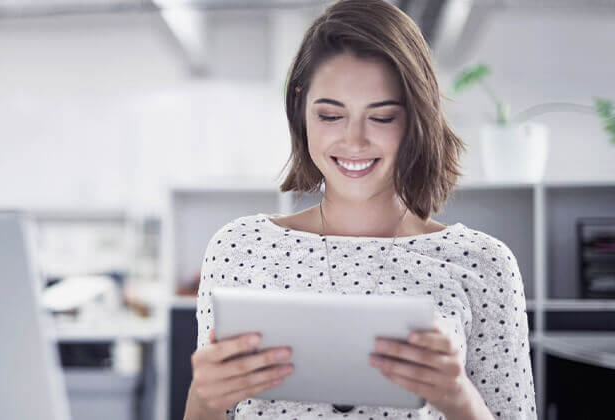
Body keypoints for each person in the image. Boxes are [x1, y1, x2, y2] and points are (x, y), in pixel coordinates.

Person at [183, 0, 536, 418]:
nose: (354, 141)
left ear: (417, 119)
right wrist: (205, 397)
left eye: (382, 117)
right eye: (331, 115)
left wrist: (459, 397)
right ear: (300, 107)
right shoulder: (238, 248)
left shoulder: (484, 264)